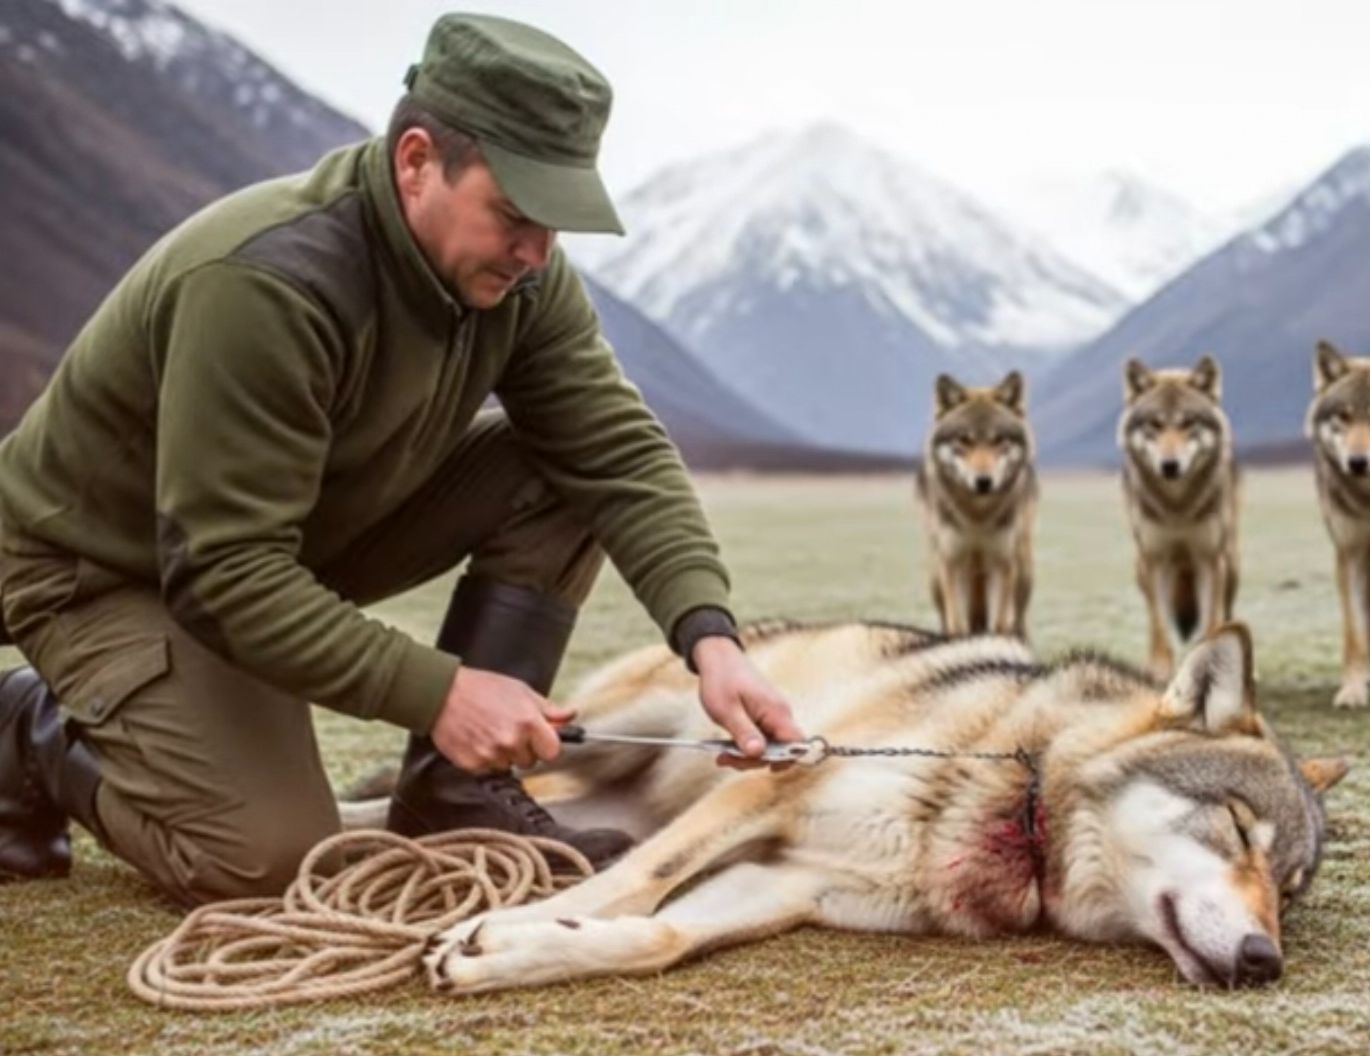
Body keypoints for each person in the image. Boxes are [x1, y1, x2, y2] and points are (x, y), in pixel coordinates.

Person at [0, 14, 800, 906]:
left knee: (561, 466)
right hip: (107, 568)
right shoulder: (265, 284)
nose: (535, 252)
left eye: (555, 224)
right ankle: (30, 726)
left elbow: (615, 450)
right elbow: (224, 570)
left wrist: (711, 638)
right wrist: (443, 693)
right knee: (263, 860)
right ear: (416, 160)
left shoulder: (519, 277)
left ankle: (455, 794)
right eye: (515, 214)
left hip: (281, 542)